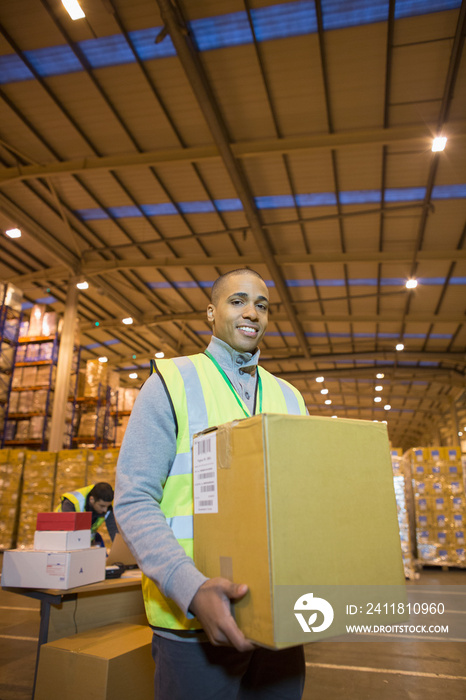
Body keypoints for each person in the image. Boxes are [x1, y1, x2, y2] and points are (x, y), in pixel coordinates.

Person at [115, 269, 308, 699]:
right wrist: (191, 587)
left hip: (280, 620)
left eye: (262, 305)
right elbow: (133, 499)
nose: (251, 313)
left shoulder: (291, 397)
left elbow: (304, 505)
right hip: (192, 623)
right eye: (238, 301)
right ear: (211, 312)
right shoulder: (170, 382)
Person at [56, 482, 118, 546]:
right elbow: (69, 533)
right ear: (92, 499)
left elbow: (113, 530)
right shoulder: (72, 503)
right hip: (59, 540)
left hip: (84, 542)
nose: (105, 510)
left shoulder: (107, 506)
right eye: (102, 506)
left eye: (107, 506)